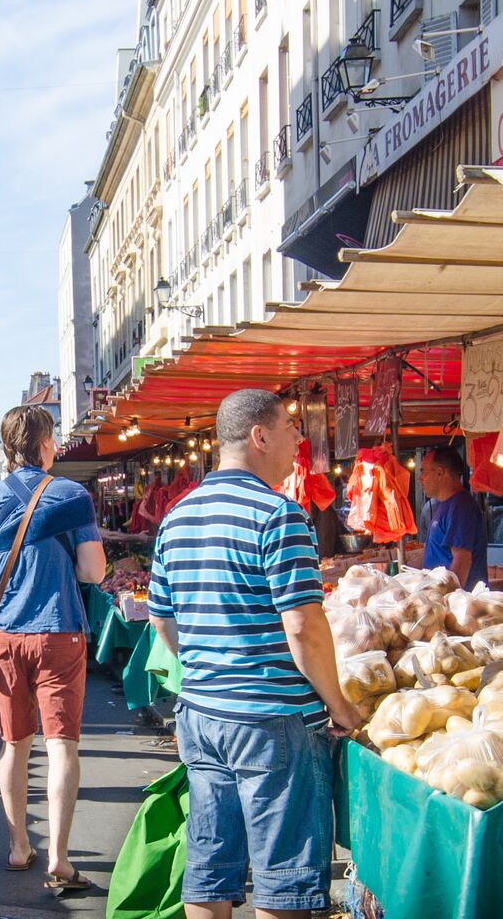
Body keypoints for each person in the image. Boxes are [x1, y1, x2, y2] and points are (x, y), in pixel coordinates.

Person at [148, 390, 361, 918]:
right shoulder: (279, 514)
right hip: (274, 720)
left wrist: (206, 667)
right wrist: (340, 706)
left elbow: (160, 618)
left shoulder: (177, 518)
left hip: (201, 713)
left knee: (210, 867)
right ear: (259, 436)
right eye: (290, 427)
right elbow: (304, 628)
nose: (298, 439)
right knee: (283, 876)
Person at [0, 404, 106, 891]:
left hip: (6, 635)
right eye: (53, 439)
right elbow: (94, 571)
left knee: (14, 745)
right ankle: (59, 856)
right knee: (62, 747)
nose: (56, 447)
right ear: (41, 444)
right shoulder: (72, 495)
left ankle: (18, 846)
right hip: (60, 631)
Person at [417, 447, 489, 588]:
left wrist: (449, 598)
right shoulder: (446, 504)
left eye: (423, 471)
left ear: (439, 472)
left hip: (458, 604)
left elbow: (462, 559)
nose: (420, 478)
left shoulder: (461, 506)